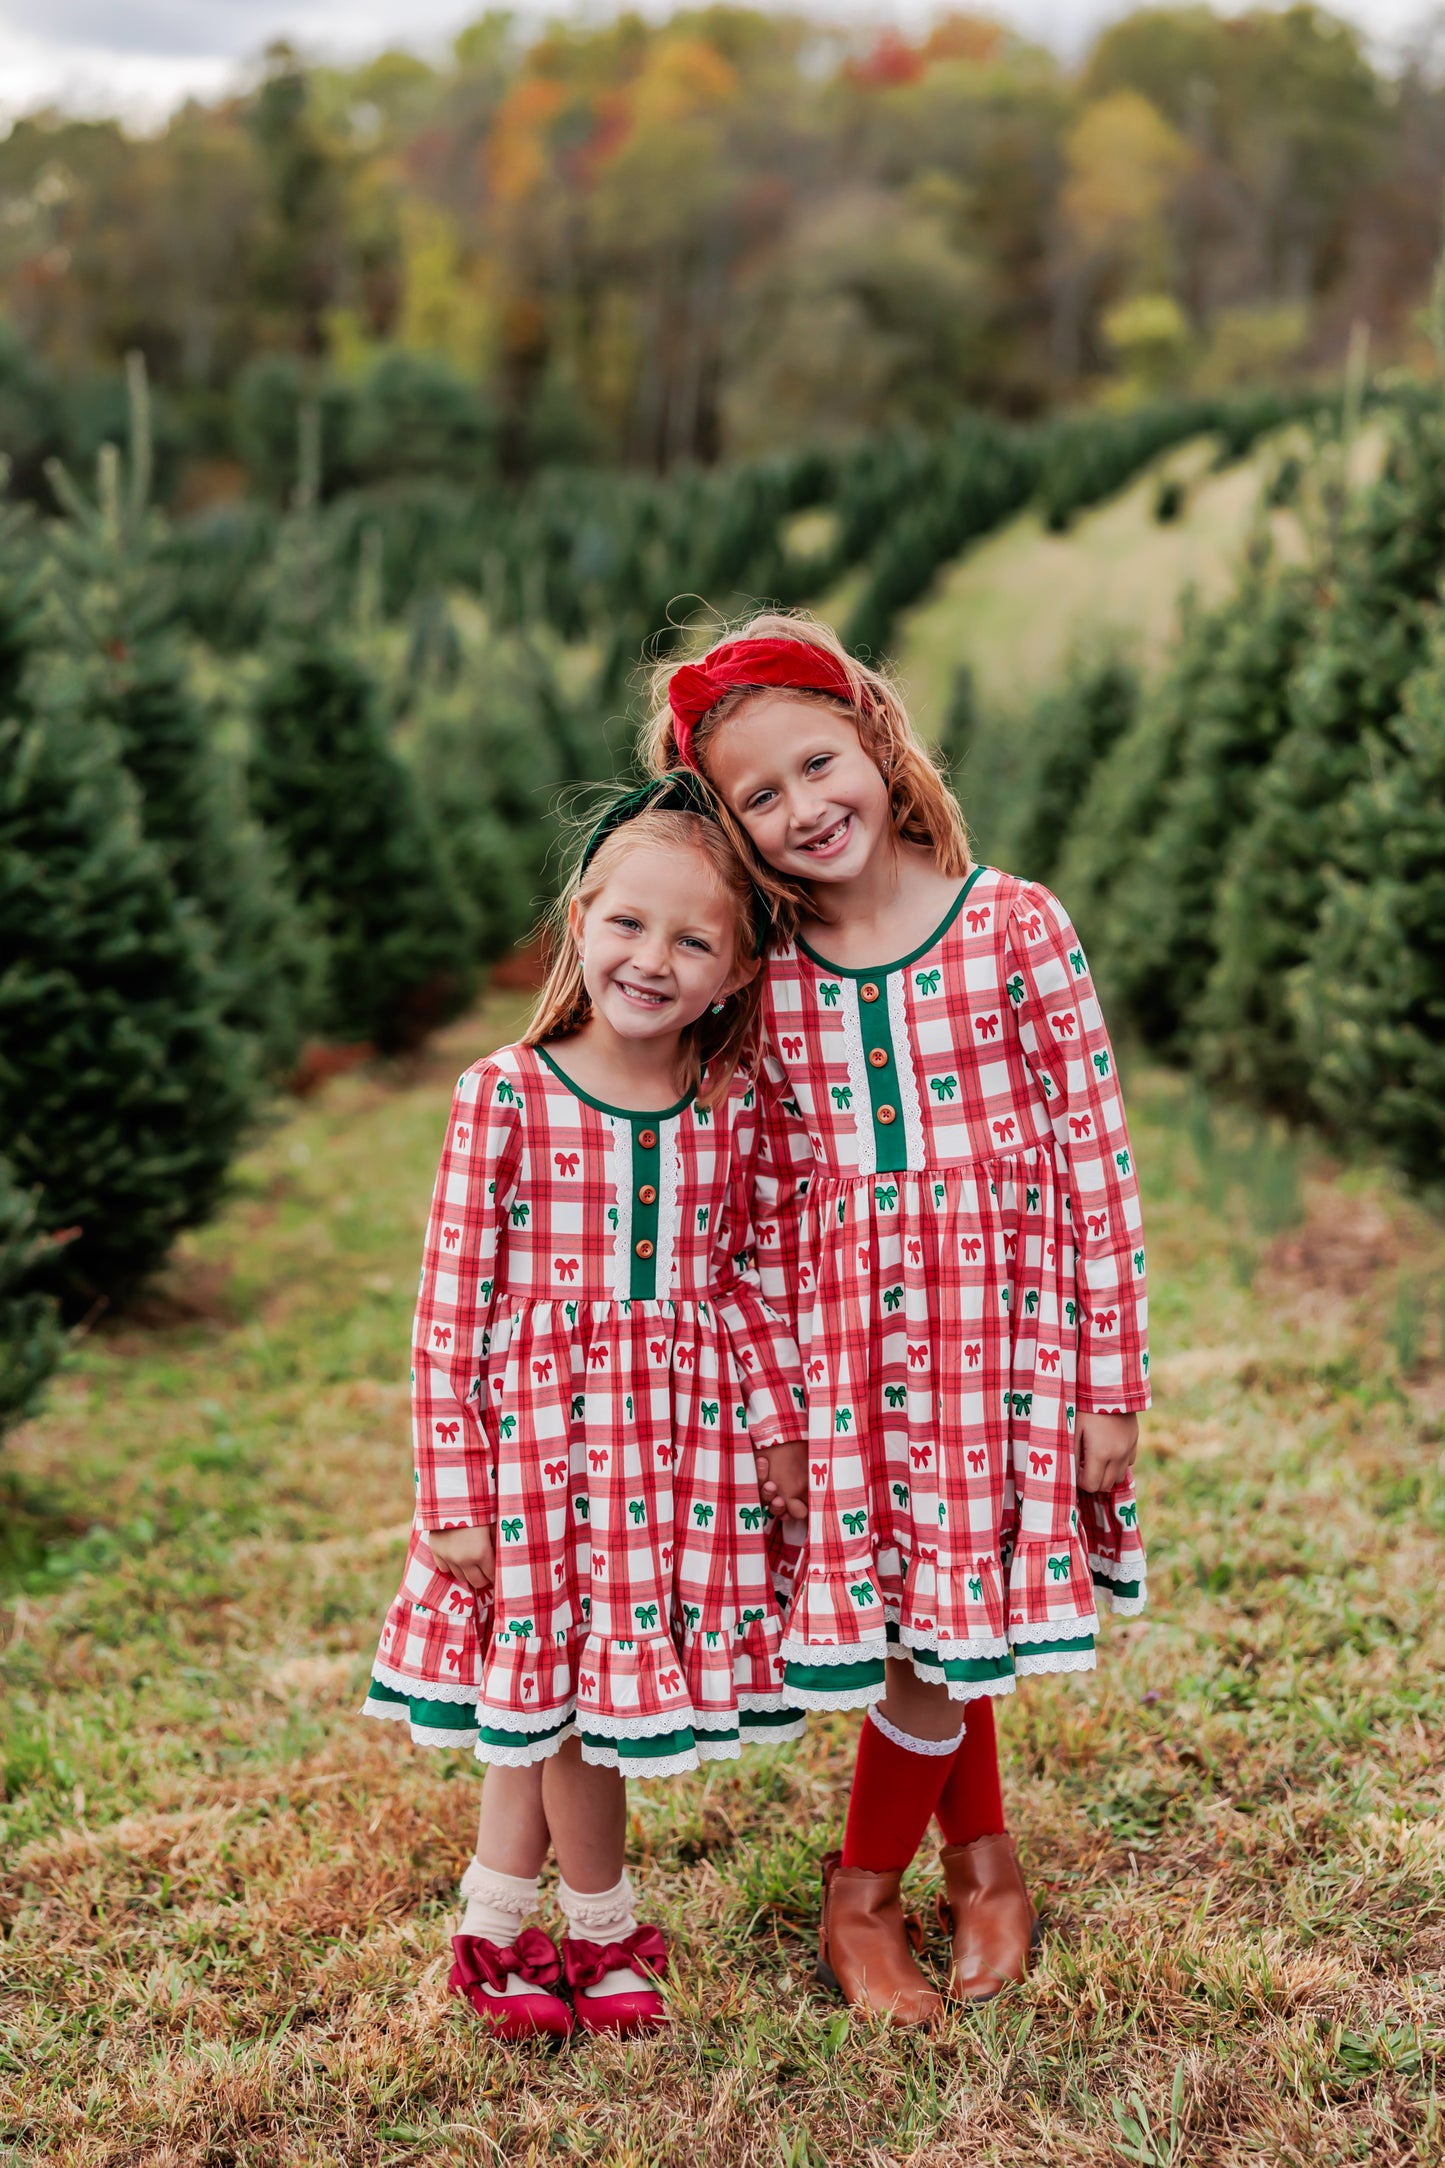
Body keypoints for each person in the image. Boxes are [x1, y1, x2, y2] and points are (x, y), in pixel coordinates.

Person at [643, 614, 1149, 2026]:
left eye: (817, 764)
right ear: (731, 826)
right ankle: (981, 1864)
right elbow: (747, 1222)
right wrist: (773, 1412)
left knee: (942, 1622)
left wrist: (1111, 1383)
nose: (804, 807)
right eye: (759, 795)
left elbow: (1095, 1165)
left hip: (1004, 1351)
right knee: (923, 1624)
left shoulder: (1015, 925)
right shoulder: (767, 981)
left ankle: (864, 1893)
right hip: (851, 1365)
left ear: (874, 734)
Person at [363, 777, 812, 2041]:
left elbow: (741, 1278)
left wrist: (777, 1427)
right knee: (565, 1713)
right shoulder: (505, 1092)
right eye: (626, 923)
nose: (650, 959)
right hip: (536, 1461)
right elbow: (447, 1313)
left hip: (665, 1460)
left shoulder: (726, 1105)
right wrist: (453, 1493)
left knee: (555, 1703)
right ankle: (602, 1930)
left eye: (691, 940)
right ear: (578, 921)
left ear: (736, 971)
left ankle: (493, 1925)